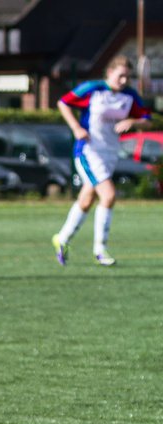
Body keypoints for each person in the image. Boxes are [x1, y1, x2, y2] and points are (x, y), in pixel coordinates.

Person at [51, 56, 152, 267]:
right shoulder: (92, 88)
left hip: (110, 153)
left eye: (128, 76)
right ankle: (100, 249)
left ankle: (62, 239)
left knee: (87, 200)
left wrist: (132, 121)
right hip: (88, 151)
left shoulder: (130, 96)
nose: (124, 80)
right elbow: (63, 102)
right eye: (120, 75)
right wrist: (76, 128)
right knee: (109, 195)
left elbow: (147, 121)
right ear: (109, 73)